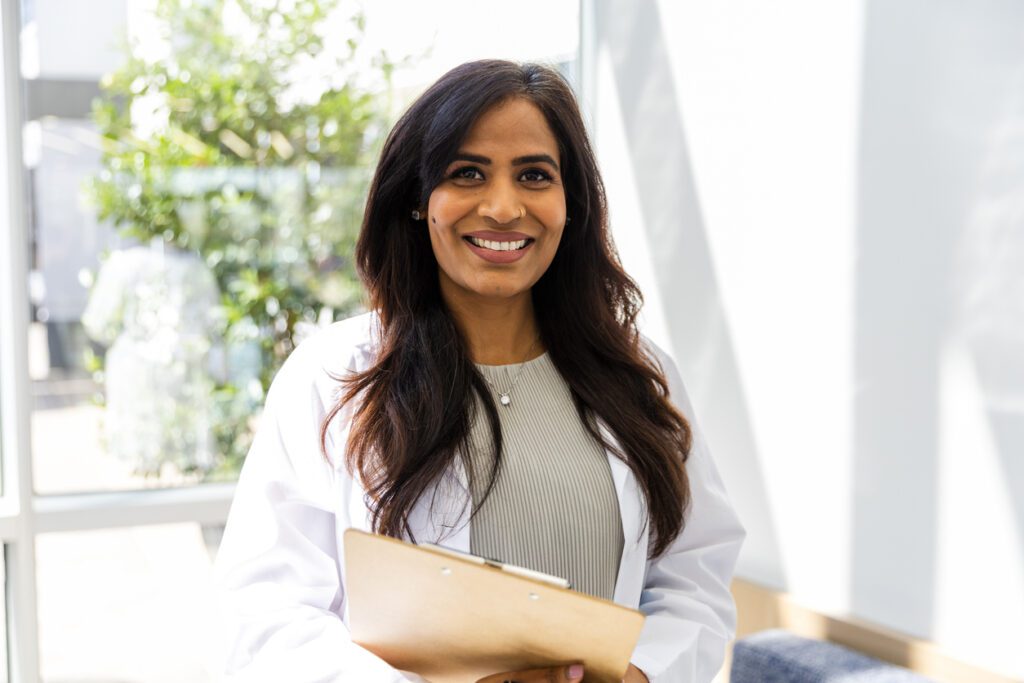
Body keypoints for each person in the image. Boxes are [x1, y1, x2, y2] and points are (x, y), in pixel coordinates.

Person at [215, 60, 745, 683]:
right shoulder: (335, 377)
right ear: (418, 201)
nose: (502, 207)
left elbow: (694, 574)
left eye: (534, 175)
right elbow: (267, 613)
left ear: (569, 203)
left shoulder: (637, 373)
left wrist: (641, 674)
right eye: (467, 173)